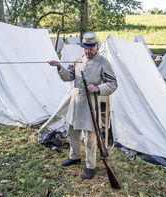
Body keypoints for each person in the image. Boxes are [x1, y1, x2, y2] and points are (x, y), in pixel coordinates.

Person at [48, 32, 118, 179]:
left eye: (91, 48)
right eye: (85, 48)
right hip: (75, 104)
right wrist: (60, 67)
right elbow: (69, 77)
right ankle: (75, 157)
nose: (88, 51)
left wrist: (98, 88)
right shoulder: (78, 60)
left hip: (91, 106)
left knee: (90, 138)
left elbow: (113, 84)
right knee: (73, 132)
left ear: (96, 46)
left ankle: (90, 165)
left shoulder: (103, 63)